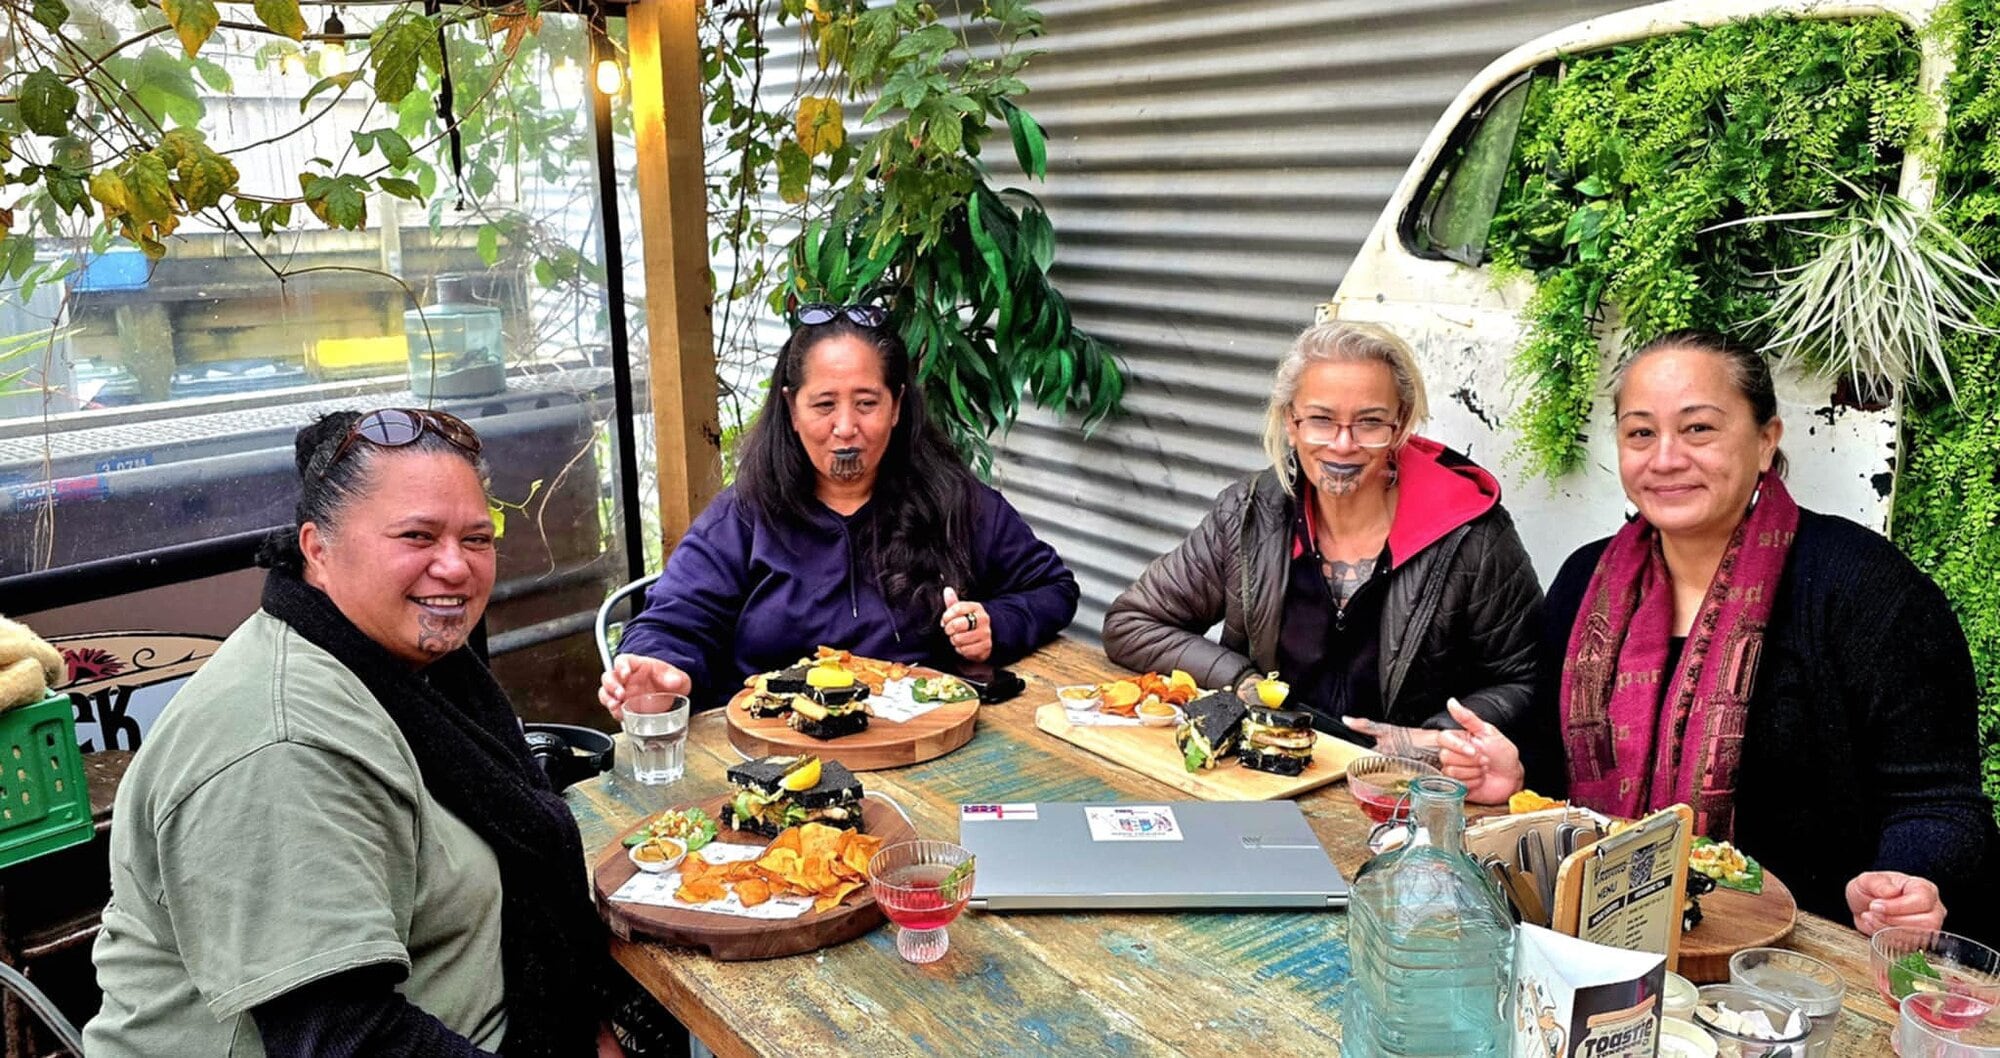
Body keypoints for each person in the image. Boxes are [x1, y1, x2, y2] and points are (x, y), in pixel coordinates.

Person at [87, 409, 622, 1057]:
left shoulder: (413, 671)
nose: (455, 567)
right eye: (417, 536)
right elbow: (342, 1039)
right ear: (317, 548)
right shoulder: (281, 743)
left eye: (476, 539)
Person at [1441, 329, 1997, 937]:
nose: (1665, 458)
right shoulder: (1585, 582)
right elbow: (1557, 769)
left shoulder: (1863, 589)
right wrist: (1515, 775)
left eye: (1699, 428)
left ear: (1766, 440)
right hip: (1604, 932)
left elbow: (1939, 800)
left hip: (1801, 958)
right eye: (1640, 433)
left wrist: (1906, 881)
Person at [601, 303, 1079, 713]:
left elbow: (1052, 587)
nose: (845, 427)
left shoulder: (955, 501)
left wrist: (996, 624)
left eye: (867, 403)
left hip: (925, 741)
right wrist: (658, 668)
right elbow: (673, 622)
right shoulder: (744, 516)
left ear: (896, 407)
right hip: (775, 757)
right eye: (824, 404)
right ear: (791, 409)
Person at [1100, 321, 1544, 745]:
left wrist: (1433, 738)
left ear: (1400, 424)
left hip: (1396, 790)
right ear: (1291, 422)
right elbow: (1133, 623)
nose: (1343, 444)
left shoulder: (1471, 534)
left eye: (1369, 422)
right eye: (1321, 419)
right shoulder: (1250, 515)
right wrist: (1238, 680)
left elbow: (1528, 678)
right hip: (1262, 767)